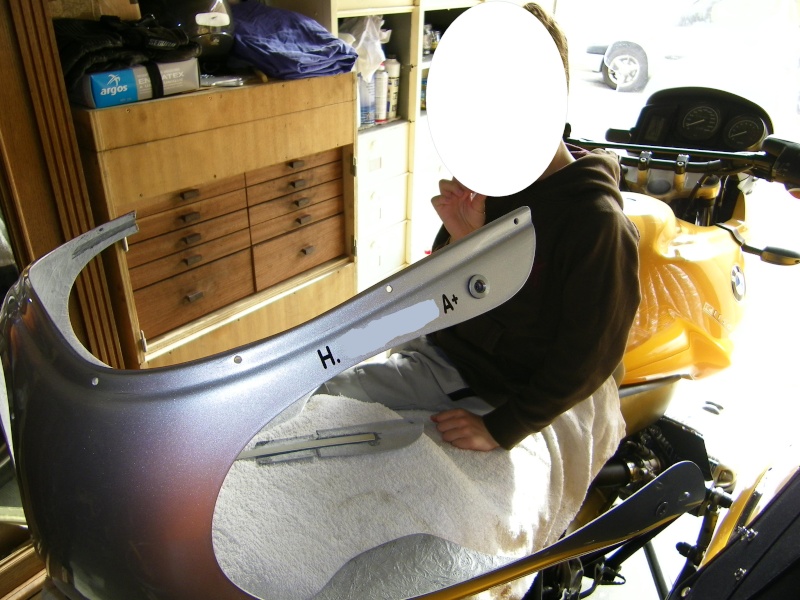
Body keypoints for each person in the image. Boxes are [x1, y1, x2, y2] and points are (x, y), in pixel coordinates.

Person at [314, 3, 641, 452]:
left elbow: (591, 355)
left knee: (328, 403)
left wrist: (501, 428)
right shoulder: (497, 180)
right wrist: (461, 243)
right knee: (320, 379)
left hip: (489, 381)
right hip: (444, 346)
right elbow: (448, 292)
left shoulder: (597, 225)